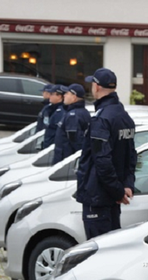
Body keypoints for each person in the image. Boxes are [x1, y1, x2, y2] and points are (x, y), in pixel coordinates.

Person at [75, 68, 136, 239]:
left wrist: (118, 191)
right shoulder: (123, 116)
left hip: (98, 199)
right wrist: (126, 185)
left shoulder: (102, 119)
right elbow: (131, 156)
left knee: (99, 254)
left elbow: (102, 161)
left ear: (96, 87)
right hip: (111, 200)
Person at [53, 84, 90, 165]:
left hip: (65, 161)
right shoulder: (81, 112)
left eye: (67, 93)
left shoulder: (73, 115)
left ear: (74, 97)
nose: (64, 95)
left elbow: (76, 142)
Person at [41, 85, 66, 150]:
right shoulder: (50, 108)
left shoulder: (61, 112)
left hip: (52, 148)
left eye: (52, 94)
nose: (49, 96)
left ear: (59, 96)